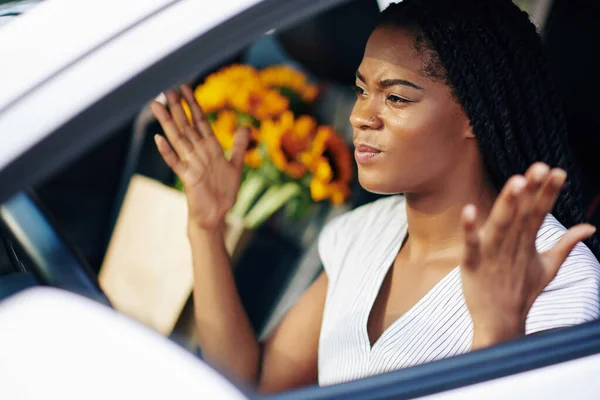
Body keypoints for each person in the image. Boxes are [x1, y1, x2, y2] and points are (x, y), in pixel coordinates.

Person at [150, 0, 600, 393]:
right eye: (363, 90)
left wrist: (497, 333)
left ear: (478, 115)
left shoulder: (553, 272)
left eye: (397, 98)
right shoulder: (364, 233)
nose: (361, 115)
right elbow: (257, 384)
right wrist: (207, 226)